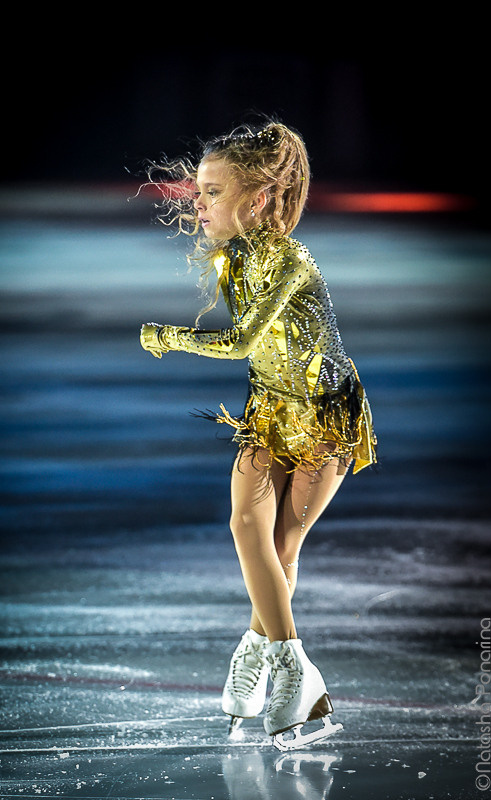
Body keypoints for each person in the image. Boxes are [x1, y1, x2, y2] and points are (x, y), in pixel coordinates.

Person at [139, 120, 377, 748]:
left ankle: (275, 664)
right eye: (198, 191)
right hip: (271, 410)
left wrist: (171, 337)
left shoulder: (293, 261)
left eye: (212, 192)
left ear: (258, 199)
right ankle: (292, 668)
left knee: (284, 541)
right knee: (248, 528)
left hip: (325, 414)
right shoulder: (231, 260)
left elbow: (242, 342)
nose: (198, 203)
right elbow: (259, 355)